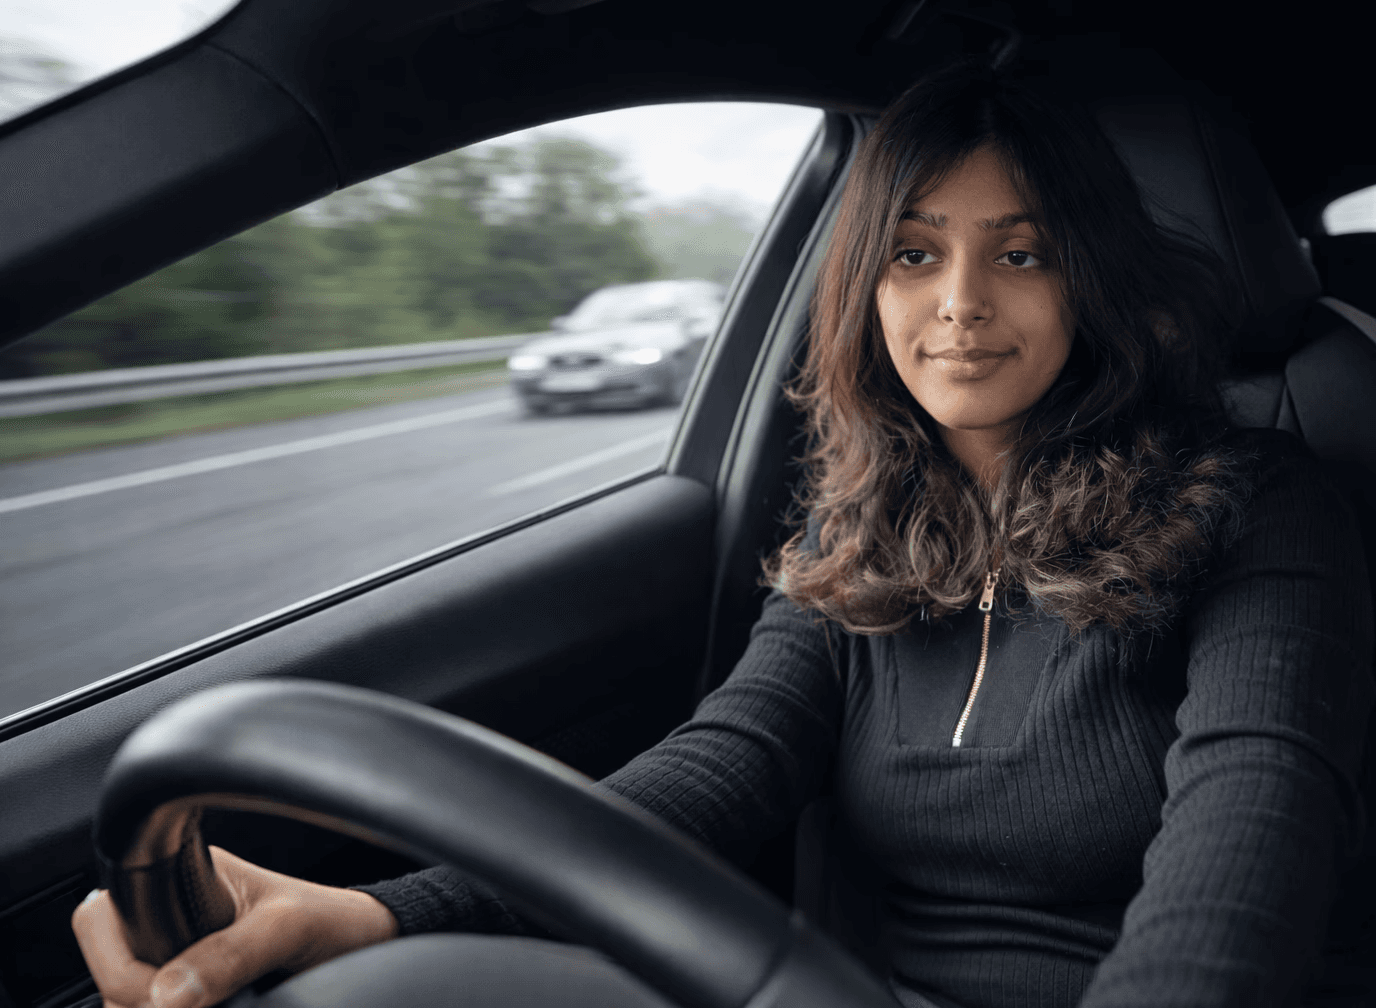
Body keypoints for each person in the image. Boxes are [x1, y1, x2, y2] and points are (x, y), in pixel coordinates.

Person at [72, 56, 1373, 1008]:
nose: (962, 304)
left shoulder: (1262, 506)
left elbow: (1246, 855)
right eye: (916, 256)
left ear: (1088, 278)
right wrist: (372, 914)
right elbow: (717, 772)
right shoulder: (860, 526)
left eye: (1021, 255)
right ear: (862, 284)